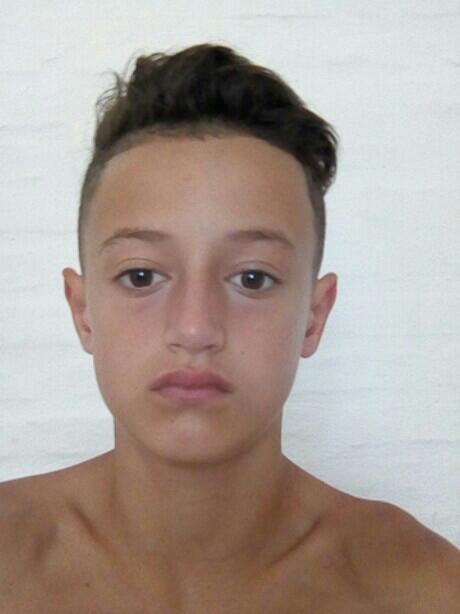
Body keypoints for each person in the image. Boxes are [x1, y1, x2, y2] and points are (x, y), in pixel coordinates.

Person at [0, 42, 458, 613]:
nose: (195, 329)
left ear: (314, 317)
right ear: (82, 309)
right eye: (141, 276)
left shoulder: (425, 590)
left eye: (253, 279)